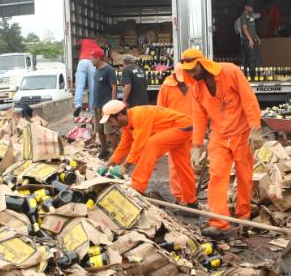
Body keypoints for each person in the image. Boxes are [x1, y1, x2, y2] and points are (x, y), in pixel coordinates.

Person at [179, 48, 263, 236]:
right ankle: (218, 221)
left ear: (202, 63)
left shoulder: (230, 71)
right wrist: (196, 146)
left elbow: (249, 99)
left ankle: (243, 216)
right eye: (188, 71)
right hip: (219, 136)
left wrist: (255, 129)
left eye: (193, 69)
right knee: (216, 176)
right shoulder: (196, 89)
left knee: (244, 175)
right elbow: (199, 117)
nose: (191, 74)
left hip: (242, 133)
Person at [101, 101, 198, 207]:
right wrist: (107, 165)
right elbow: (123, 148)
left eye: (110, 121)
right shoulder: (128, 125)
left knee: (152, 144)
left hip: (182, 126)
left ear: (119, 115)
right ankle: (191, 201)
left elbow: (139, 146)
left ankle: (137, 186)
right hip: (182, 127)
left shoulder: (139, 116)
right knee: (182, 166)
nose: (111, 125)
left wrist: (124, 166)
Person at [156, 65, 195, 204]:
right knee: (175, 165)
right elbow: (160, 110)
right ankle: (179, 196)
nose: (183, 82)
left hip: (193, 129)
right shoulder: (166, 87)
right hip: (175, 131)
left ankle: (189, 194)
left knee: (190, 163)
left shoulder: (194, 84)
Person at [91, 48, 118, 159]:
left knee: (110, 131)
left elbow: (114, 87)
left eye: (92, 58)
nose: (91, 60)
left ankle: (116, 154)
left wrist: (112, 104)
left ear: (98, 58)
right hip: (97, 105)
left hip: (106, 106)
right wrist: (93, 103)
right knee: (99, 130)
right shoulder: (96, 70)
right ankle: (104, 150)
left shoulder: (109, 70)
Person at [73, 38, 101, 117]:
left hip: (82, 62)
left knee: (79, 86)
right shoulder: (97, 46)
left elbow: (76, 45)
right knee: (92, 88)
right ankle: (92, 111)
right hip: (92, 63)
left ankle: (78, 104)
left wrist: (79, 47)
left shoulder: (84, 41)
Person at [239, 0, 261, 80]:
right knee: (252, 59)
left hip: (253, 40)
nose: (252, 8)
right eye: (250, 6)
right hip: (248, 41)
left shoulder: (251, 16)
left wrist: (257, 38)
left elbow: (252, 30)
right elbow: (244, 29)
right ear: (246, 7)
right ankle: (252, 77)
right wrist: (250, 40)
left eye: (252, 6)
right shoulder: (244, 16)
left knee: (256, 58)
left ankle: (257, 75)